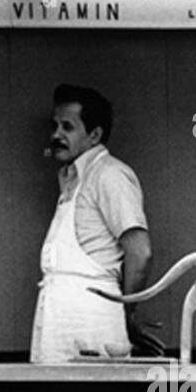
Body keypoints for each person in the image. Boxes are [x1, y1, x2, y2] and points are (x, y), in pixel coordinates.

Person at [30, 83, 156, 363]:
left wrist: (128, 311)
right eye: (55, 126)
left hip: (93, 317)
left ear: (95, 134)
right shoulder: (72, 178)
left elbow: (140, 252)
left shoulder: (109, 175)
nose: (56, 135)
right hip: (58, 317)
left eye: (67, 127)